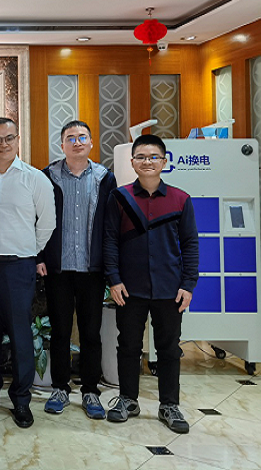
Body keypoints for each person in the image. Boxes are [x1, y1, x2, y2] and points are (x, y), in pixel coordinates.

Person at [103, 133, 199, 434]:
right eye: (141, 157)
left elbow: (190, 244)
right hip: (129, 288)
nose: (148, 162)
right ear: (132, 162)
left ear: (164, 162)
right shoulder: (119, 198)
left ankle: (169, 404)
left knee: (169, 348)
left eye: (154, 157)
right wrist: (114, 280)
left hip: (170, 288)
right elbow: (110, 241)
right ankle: (127, 400)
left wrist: (188, 284)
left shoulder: (181, 199)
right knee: (128, 345)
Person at [0, 117, 55, 429]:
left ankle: (21, 400)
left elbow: (47, 223)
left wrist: (28, 250)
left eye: (8, 138)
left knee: (20, 336)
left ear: (18, 140)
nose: (2, 144)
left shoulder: (35, 179)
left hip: (18, 267)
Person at [38, 120, 117, 419]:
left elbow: (110, 225)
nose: (77, 142)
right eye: (70, 138)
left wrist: (109, 265)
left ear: (91, 143)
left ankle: (90, 391)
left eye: (82, 137)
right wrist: (40, 256)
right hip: (57, 269)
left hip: (91, 269)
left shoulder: (104, 178)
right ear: (62, 145)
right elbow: (37, 219)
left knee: (90, 333)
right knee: (60, 331)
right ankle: (60, 387)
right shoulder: (47, 176)